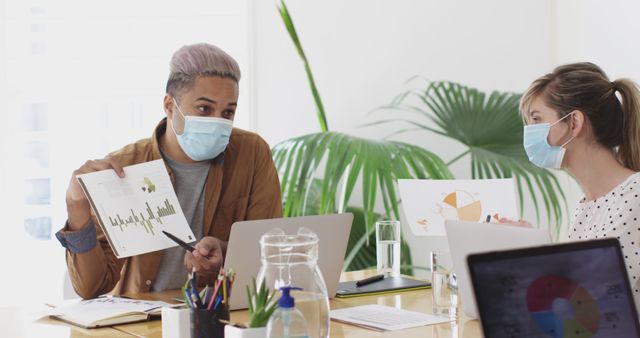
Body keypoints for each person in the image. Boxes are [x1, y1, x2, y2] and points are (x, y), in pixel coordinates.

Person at [55, 43, 282, 299]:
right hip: (142, 324)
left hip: (219, 317)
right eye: (204, 109)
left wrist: (225, 250)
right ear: (170, 106)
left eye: (228, 112)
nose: (217, 121)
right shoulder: (123, 168)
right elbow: (92, 288)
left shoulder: (251, 153)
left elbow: (269, 250)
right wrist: (77, 209)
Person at [501, 62, 640, 306]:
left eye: (536, 119)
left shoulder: (635, 197)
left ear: (574, 122)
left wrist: (533, 250)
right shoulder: (586, 205)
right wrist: (529, 244)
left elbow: (593, 298)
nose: (528, 131)